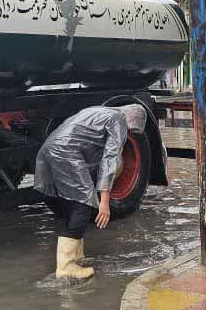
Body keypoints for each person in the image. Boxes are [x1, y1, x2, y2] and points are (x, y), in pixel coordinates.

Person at [34, 104, 146, 280]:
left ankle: (75, 256)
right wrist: (104, 202)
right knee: (84, 204)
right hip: (67, 153)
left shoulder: (100, 111)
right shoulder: (119, 121)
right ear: (132, 120)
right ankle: (66, 267)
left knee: (69, 203)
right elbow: (109, 160)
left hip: (49, 148)